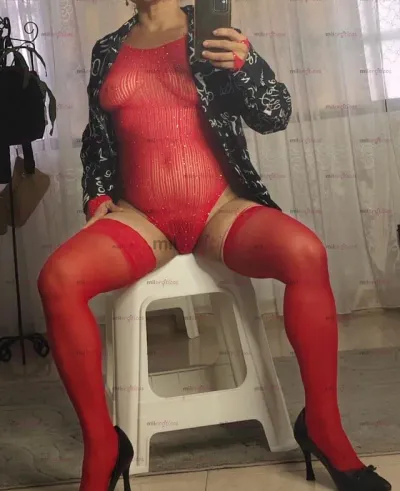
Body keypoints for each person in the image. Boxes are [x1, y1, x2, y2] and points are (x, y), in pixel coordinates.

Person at [37, 1, 391, 491]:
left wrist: (246, 67)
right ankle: (103, 446)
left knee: (306, 253)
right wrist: (96, 194)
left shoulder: (213, 33)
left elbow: (275, 114)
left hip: (219, 210)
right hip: (142, 217)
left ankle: (324, 426)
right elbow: (97, 138)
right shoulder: (108, 49)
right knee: (58, 279)